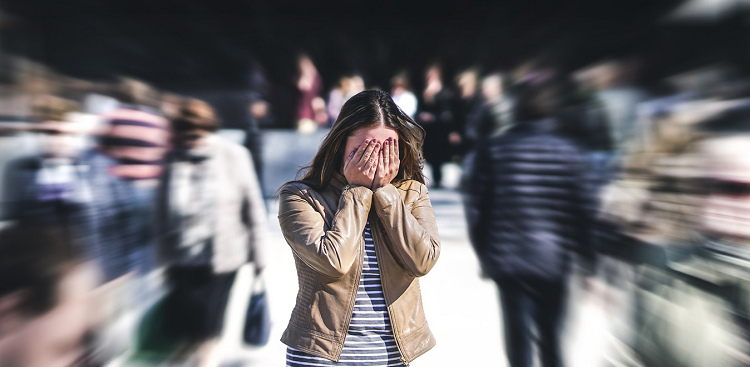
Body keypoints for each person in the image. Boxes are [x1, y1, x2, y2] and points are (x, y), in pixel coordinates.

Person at [277, 90, 440, 366]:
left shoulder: (413, 194)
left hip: (390, 355)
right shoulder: (300, 197)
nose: (374, 160)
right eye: (364, 150)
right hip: (320, 354)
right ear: (341, 145)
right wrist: (357, 192)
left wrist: (386, 196)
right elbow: (333, 261)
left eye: (386, 149)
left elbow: (423, 261)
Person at [466, 74, 595, 367]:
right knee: (552, 340)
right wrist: (588, 262)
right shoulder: (571, 152)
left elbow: (477, 208)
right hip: (554, 261)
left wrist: (486, 254)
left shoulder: (494, 149)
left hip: (509, 261)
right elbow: (584, 212)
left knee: (518, 343)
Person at [157, 99, 267, 367]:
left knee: (208, 331)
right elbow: (160, 212)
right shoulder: (173, 160)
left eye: (198, 133)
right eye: (186, 134)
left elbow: (253, 208)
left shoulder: (233, 156)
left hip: (221, 262)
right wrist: (161, 259)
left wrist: (260, 259)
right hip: (182, 262)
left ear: (209, 129)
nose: (193, 139)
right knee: (187, 333)